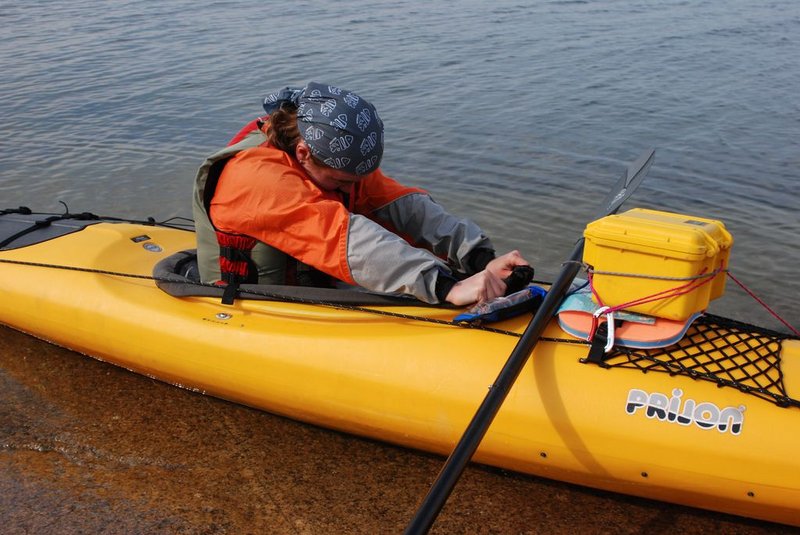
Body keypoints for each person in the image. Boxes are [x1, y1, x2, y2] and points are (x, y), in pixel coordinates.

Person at [192, 82, 529, 306]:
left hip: (311, 281)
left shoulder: (334, 162)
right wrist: (447, 287)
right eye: (343, 183)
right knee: (428, 282)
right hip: (248, 304)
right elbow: (343, 237)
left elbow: (406, 207)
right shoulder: (256, 180)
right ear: (303, 153)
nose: (353, 190)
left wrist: (480, 259)